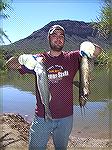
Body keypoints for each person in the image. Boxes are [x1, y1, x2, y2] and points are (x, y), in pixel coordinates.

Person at [6, 25, 102, 150]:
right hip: (42, 116)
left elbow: (98, 52)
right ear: (48, 38)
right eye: (54, 35)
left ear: (64, 40)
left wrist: (89, 46)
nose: (58, 39)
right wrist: (22, 59)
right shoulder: (39, 59)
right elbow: (9, 65)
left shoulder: (72, 57)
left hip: (66, 118)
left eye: (61, 36)